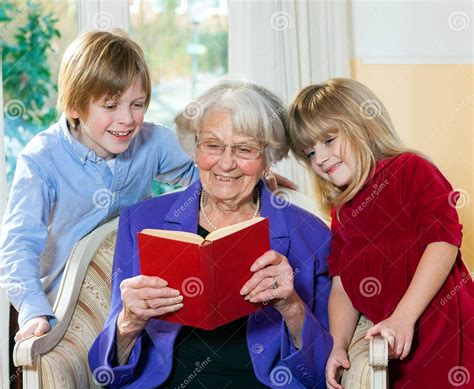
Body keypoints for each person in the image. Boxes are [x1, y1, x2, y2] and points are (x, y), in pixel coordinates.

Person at [74, 79, 345, 389]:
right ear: (195, 148)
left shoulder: (309, 234)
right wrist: (128, 322)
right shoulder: (145, 222)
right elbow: (107, 371)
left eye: (245, 149)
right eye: (212, 145)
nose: (226, 163)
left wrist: (292, 306)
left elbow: (319, 375)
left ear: (268, 156)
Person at [1, 30, 292, 343]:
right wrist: (34, 310)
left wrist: (255, 181)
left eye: (137, 104)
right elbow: (16, 246)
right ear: (74, 106)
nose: (127, 119)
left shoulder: (152, 142)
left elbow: (210, 174)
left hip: (132, 291)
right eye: (110, 106)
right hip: (59, 303)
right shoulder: (42, 159)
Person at [288, 77, 474, 389]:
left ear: (361, 123)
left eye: (329, 140)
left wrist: (404, 316)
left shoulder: (412, 170)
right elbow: (343, 283)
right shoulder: (344, 211)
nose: (319, 157)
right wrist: (337, 344)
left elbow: (443, 241)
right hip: (404, 359)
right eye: (309, 152)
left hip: (449, 346)